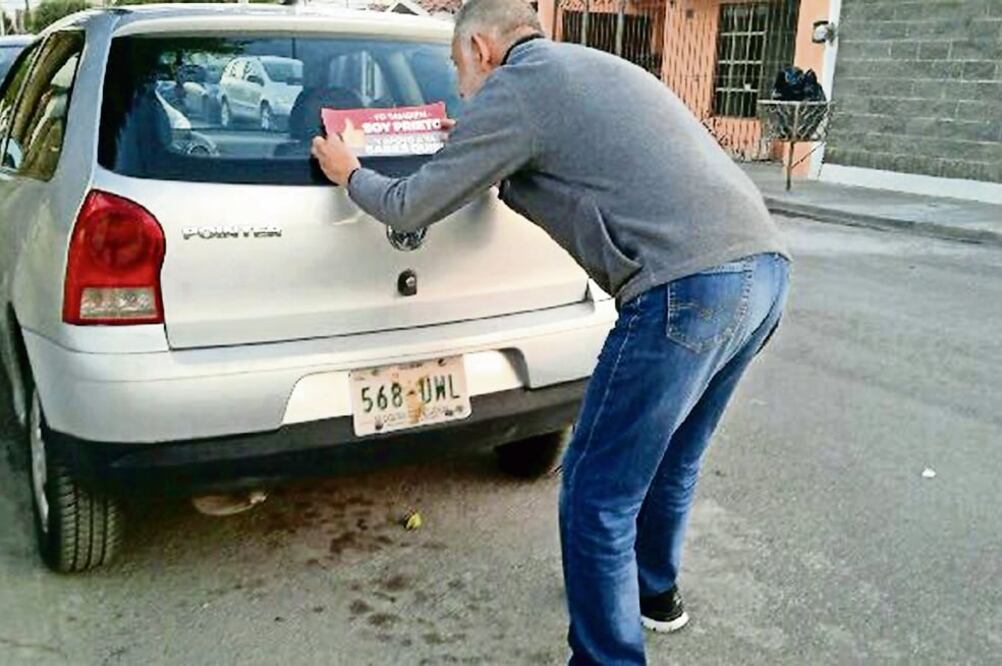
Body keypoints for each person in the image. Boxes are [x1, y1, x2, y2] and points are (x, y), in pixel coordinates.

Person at [311, 0, 790, 663]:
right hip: (763, 271)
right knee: (674, 455)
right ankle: (654, 593)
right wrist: (476, 135)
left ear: (480, 49)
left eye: (456, 68)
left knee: (595, 492)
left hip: (686, 289)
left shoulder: (518, 89)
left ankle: (606, 657)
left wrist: (348, 172)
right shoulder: (578, 65)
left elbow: (409, 204)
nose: (458, 87)